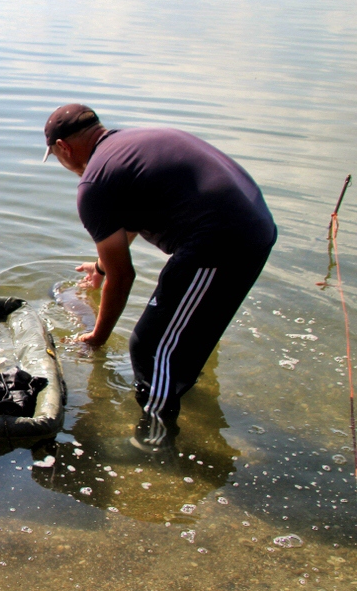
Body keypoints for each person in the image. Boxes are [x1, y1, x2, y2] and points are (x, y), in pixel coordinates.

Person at [42, 103, 276, 448]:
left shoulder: (94, 183)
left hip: (221, 240)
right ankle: (188, 404)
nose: (63, 165)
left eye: (57, 157)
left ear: (64, 147)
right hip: (252, 224)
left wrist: (97, 336)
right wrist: (100, 268)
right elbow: (129, 222)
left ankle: (155, 444)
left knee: (150, 347)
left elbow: (124, 278)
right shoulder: (130, 147)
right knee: (180, 338)